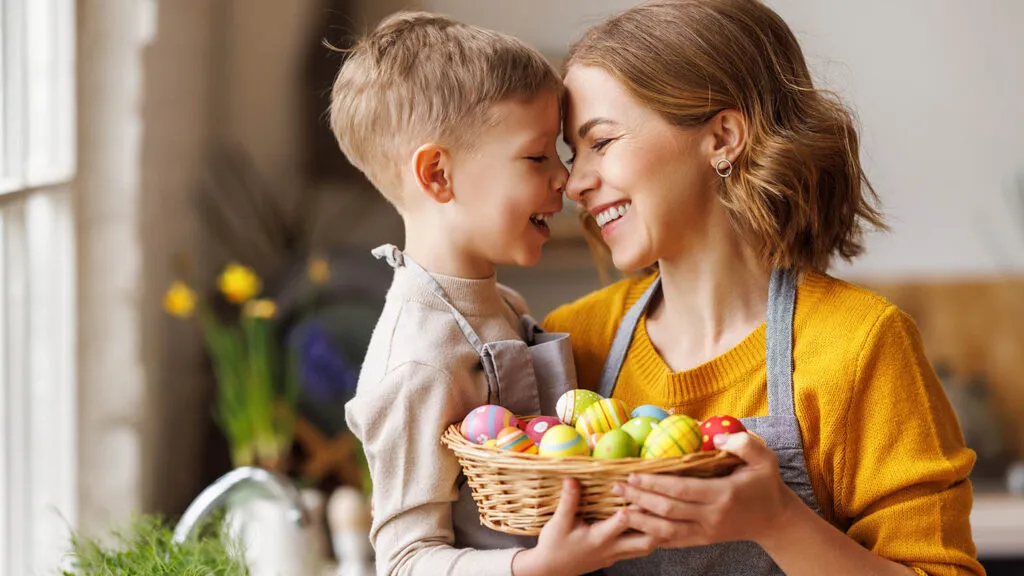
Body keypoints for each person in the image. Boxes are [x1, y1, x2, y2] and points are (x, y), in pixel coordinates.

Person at [544, 1, 983, 574]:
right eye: (573, 155)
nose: (575, 182)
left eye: (601, 143)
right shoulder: (572, 338)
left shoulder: (858, 346)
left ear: (723, 137)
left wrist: (778, 521)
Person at [334, 12, 658, 576]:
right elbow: (403, 560)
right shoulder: (419, 361)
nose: (566, 177)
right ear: (438, 174)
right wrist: (533, 566)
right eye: (537, 157)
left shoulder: (504, 305)